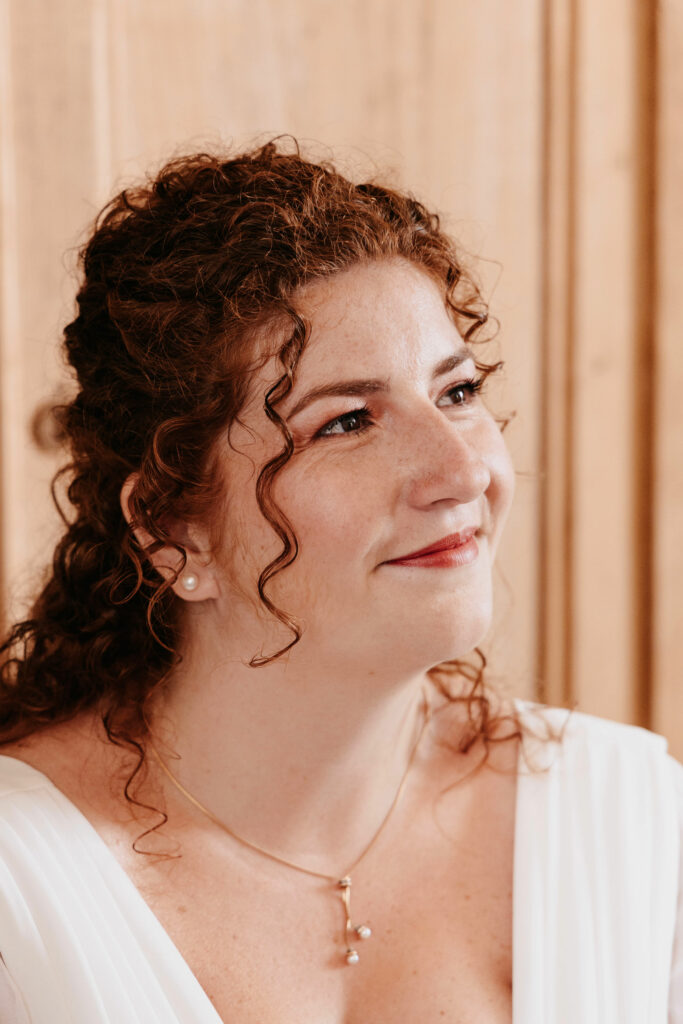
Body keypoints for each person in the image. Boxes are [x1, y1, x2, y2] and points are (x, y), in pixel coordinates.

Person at [0, 137, 679, 1023]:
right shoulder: (20, 886)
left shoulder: (629, 824)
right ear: (172, 527)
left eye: (457, 392)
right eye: (347, 421)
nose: (462, 472)